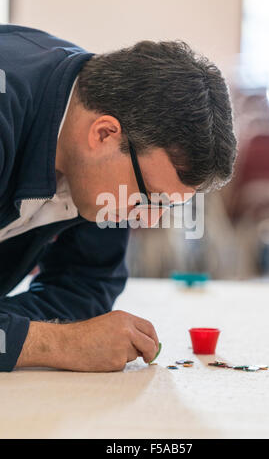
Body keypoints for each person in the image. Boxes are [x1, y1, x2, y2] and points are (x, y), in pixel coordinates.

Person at [0, 24, 236, 372]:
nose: (148, 218)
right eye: (150, 197)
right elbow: (63, 334)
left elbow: (84, 287)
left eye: (167, 206)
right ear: (104, 134)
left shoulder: (96, 135)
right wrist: (56, 343)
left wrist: (20, 334)